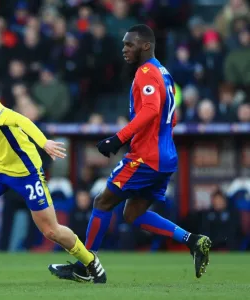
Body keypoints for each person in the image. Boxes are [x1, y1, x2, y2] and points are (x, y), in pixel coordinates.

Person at [49, 24, 211, 282]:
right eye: (124, 44)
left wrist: (118, 138)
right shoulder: (164, 72)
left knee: (102, 202)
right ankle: (192, 240)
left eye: (129, 44)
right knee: (132, 213)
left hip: (146, 156)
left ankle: (87, 265)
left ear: (145, 45)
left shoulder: (146, 72)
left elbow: (150, 110)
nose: (124, 49)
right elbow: (172, 115)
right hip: (165, 156)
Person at [0, 66, 106, 283]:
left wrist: (44, 143)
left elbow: (19, 119)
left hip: (26, 172)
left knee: (51, 231)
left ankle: (90, 262)